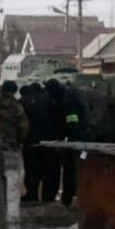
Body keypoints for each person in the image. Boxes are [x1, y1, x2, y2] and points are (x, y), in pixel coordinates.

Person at [45, 79, 91, 207]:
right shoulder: (71, 95)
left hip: (77, 140)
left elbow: (72, 120)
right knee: (80, 166)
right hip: (84, 139)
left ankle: (68, 199)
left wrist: (67, 138)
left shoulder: (66, 101)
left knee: (71, 168)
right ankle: (77, 197)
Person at [20, 83, 59, 202]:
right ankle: (48, 197)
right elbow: (58, 119)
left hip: (30, 142)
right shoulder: (50, 101)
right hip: (49, 141)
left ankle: (32, 195)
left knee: (31, 169)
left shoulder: (23, 101)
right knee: (49, 170)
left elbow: (20, 122)